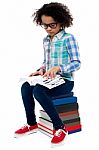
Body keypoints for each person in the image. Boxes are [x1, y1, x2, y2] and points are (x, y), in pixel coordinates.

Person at [14, 2, 81, 146]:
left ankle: (60, 127)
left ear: (61, 22)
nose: (48, 29)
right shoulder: (46, 40)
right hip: (49, 80)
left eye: (52, 25)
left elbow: (77, 63)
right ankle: (32, 124)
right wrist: (40, 70)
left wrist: (59, 68)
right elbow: (46, 62)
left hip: (65, 81)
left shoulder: (68, 38)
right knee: (26, 86)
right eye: (45, 25)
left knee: (38, 91)